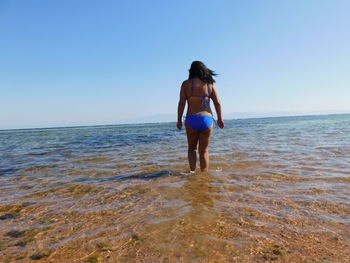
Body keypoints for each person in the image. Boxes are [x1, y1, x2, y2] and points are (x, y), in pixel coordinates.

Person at [177, 61, 224, 172]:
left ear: (191, 71)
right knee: (204, 150)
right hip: (207, 119)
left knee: (192, 148)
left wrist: (178, 120)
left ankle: (192, 173)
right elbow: (217, 102)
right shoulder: (210, 84)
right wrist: (220, 119)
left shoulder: (186, 84)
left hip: (192, 119)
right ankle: (204, 175)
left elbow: (181, 103)